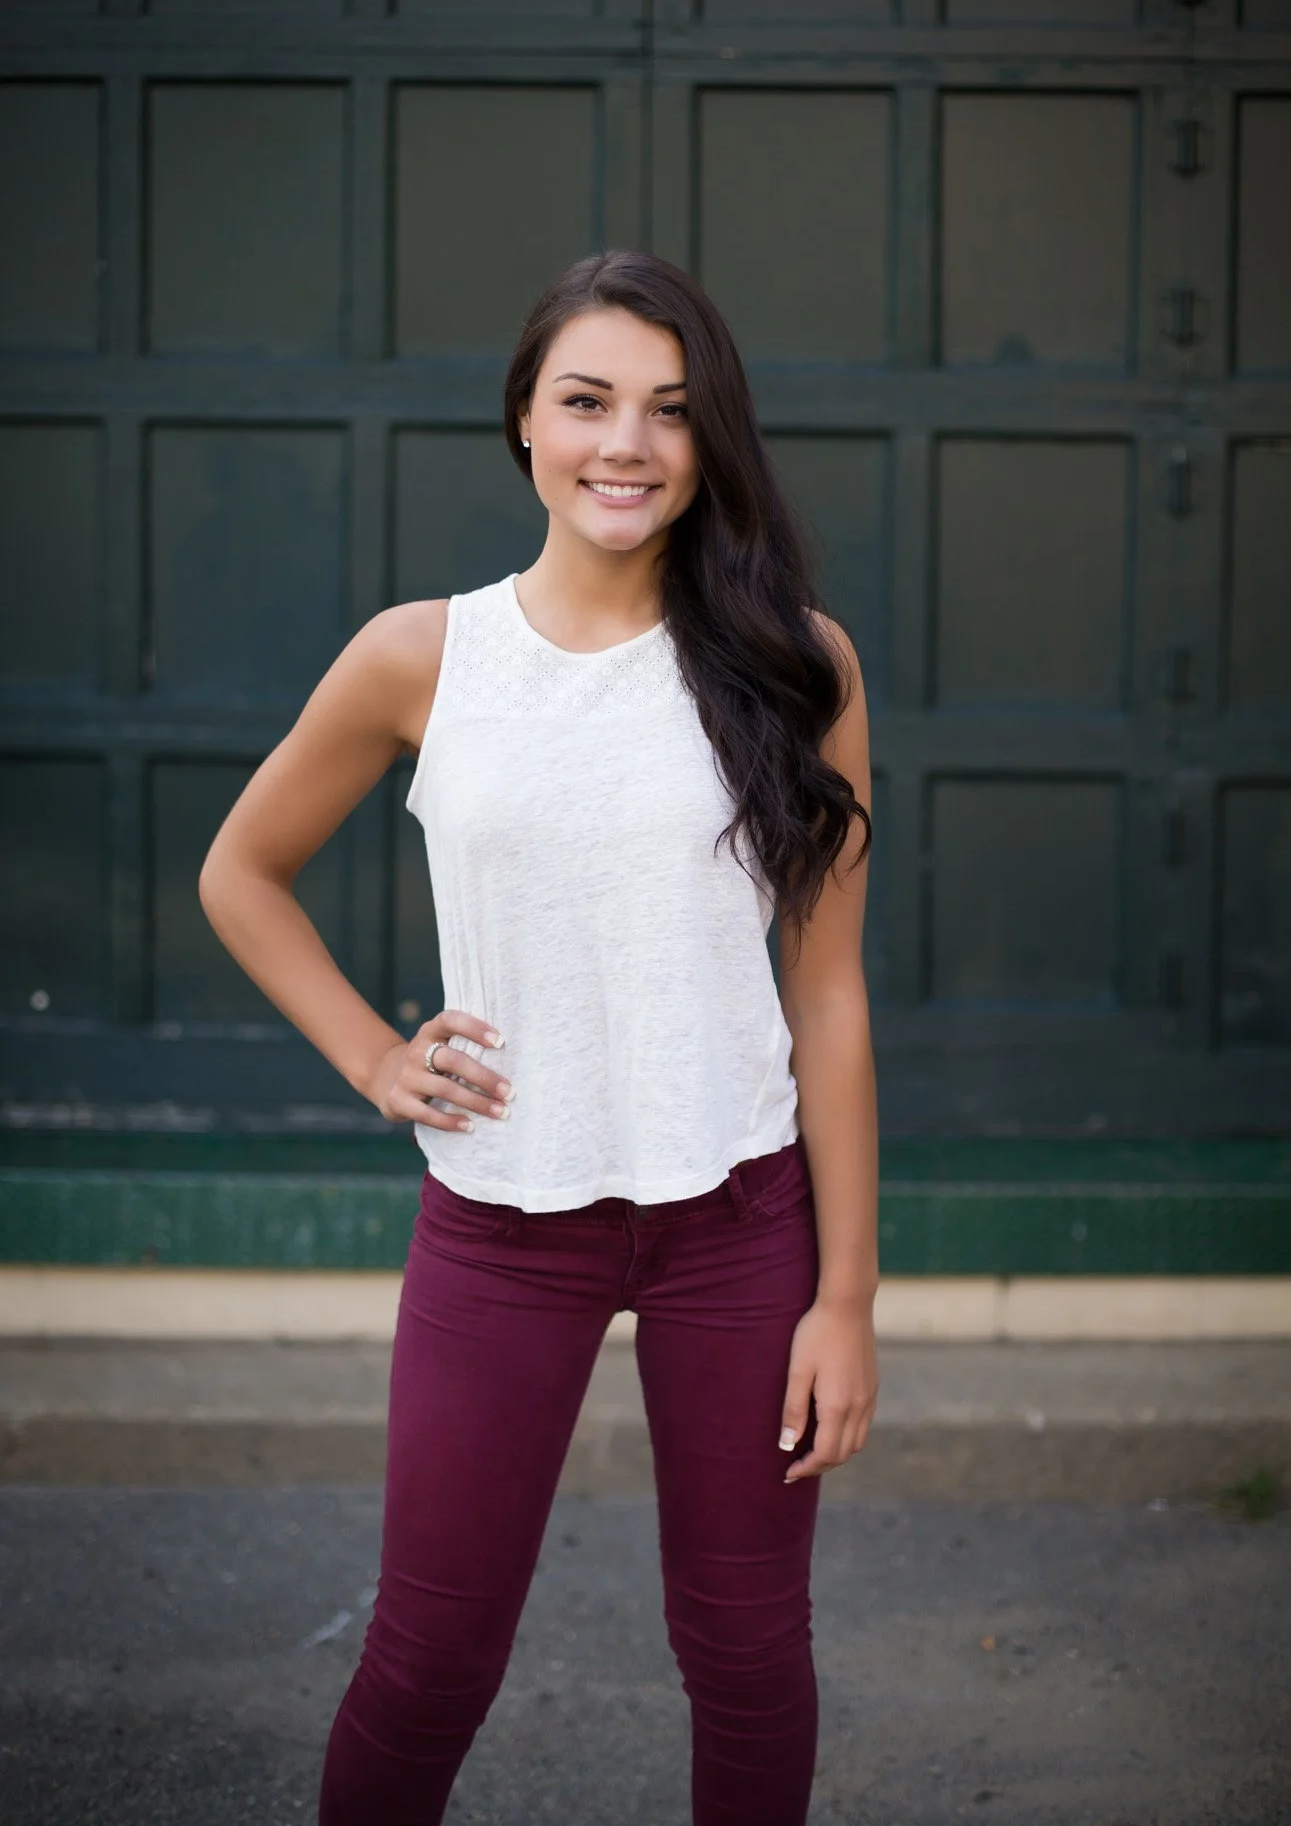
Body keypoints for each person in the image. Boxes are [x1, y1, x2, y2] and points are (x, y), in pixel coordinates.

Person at [198, 248, 880, 1826]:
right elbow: (242, 872)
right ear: (524, 422)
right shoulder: (424, 657)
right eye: (587, 402)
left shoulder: (797, 666)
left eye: (669, 409)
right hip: (503, 1221)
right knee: (429, 1659)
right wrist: (376, 1056)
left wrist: (846, 1293)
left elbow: (829, 993)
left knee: (750, 1653)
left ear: (711, 442)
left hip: (740, 1223)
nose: (625, 444)